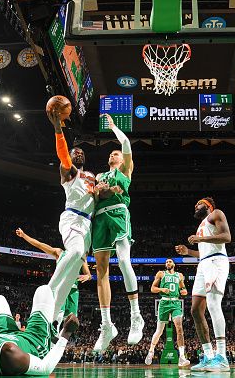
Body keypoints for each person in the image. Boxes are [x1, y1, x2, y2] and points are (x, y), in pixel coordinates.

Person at [92, 113, 143, 352]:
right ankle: (106, 325)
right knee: (101, 271)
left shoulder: (127, 170)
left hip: (119, 214)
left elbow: (125, 145)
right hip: (100, 219)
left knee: (124, 262)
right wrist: (103, 191)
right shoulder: (99, 176)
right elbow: (98, 196)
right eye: (110, 153)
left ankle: (136, 316)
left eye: (116, 154)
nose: (113, 154)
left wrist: (113, 126)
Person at [43, 108, 95, 328]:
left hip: (88, 225)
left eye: (81, 152)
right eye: (76, 152)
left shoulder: (93, 175)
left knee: (74, 268)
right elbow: (63, 154)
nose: (79, 154)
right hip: (73, 218)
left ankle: (51, 318)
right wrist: (58, 128)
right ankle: (47, 292)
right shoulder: (69, 171)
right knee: (72, 252)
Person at [175, 197, 231, 372]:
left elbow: (226, 237)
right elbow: (203, 252)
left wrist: (201, 240)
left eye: (198, 204)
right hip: (204, 264)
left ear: (208, 206)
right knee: (195, 310)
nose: (195, 206)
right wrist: (188, 251)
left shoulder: (216, 213)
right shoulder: (201, 226)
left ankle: (222, 358)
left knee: (213, 305)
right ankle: (208, 356)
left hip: (217, 262)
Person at [15, 227, 92, 331]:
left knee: (71, 320)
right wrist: (24, 235)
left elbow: (88, 274)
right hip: (59, 286)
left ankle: (61, 342)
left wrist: (87, 276)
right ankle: (51, 336)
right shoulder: (59, 252)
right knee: (58, 315)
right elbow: (39, 244)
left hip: (73, 289)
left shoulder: (81, 255)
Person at [145, 258, 190, 367]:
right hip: (164, 303)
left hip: (175, 303)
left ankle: (182, 357)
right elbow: (152, 288)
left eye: (169, 262)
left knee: (179, 328)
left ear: (174, 264)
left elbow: (183, 289)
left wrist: (183, 291)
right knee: (159, 331)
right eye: (166, 262)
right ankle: (151, 351)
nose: (167, 263)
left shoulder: (179, 275)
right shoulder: (161, 273)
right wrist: (161, 290)